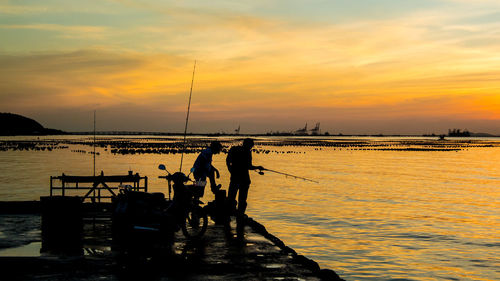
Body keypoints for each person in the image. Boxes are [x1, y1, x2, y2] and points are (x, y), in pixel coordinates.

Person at [226, 138, 264, 234]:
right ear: (248, 145)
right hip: (244, 179)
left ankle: (227, 218)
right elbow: (248, 166)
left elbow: (227, 161)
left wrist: (231, 171)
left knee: (231, 198)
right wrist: (258, 167)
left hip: (234, 178)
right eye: (251, 145)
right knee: (242, 200)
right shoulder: (247, 152)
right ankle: (240, 218)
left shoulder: (234, 149)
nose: (252, 147)